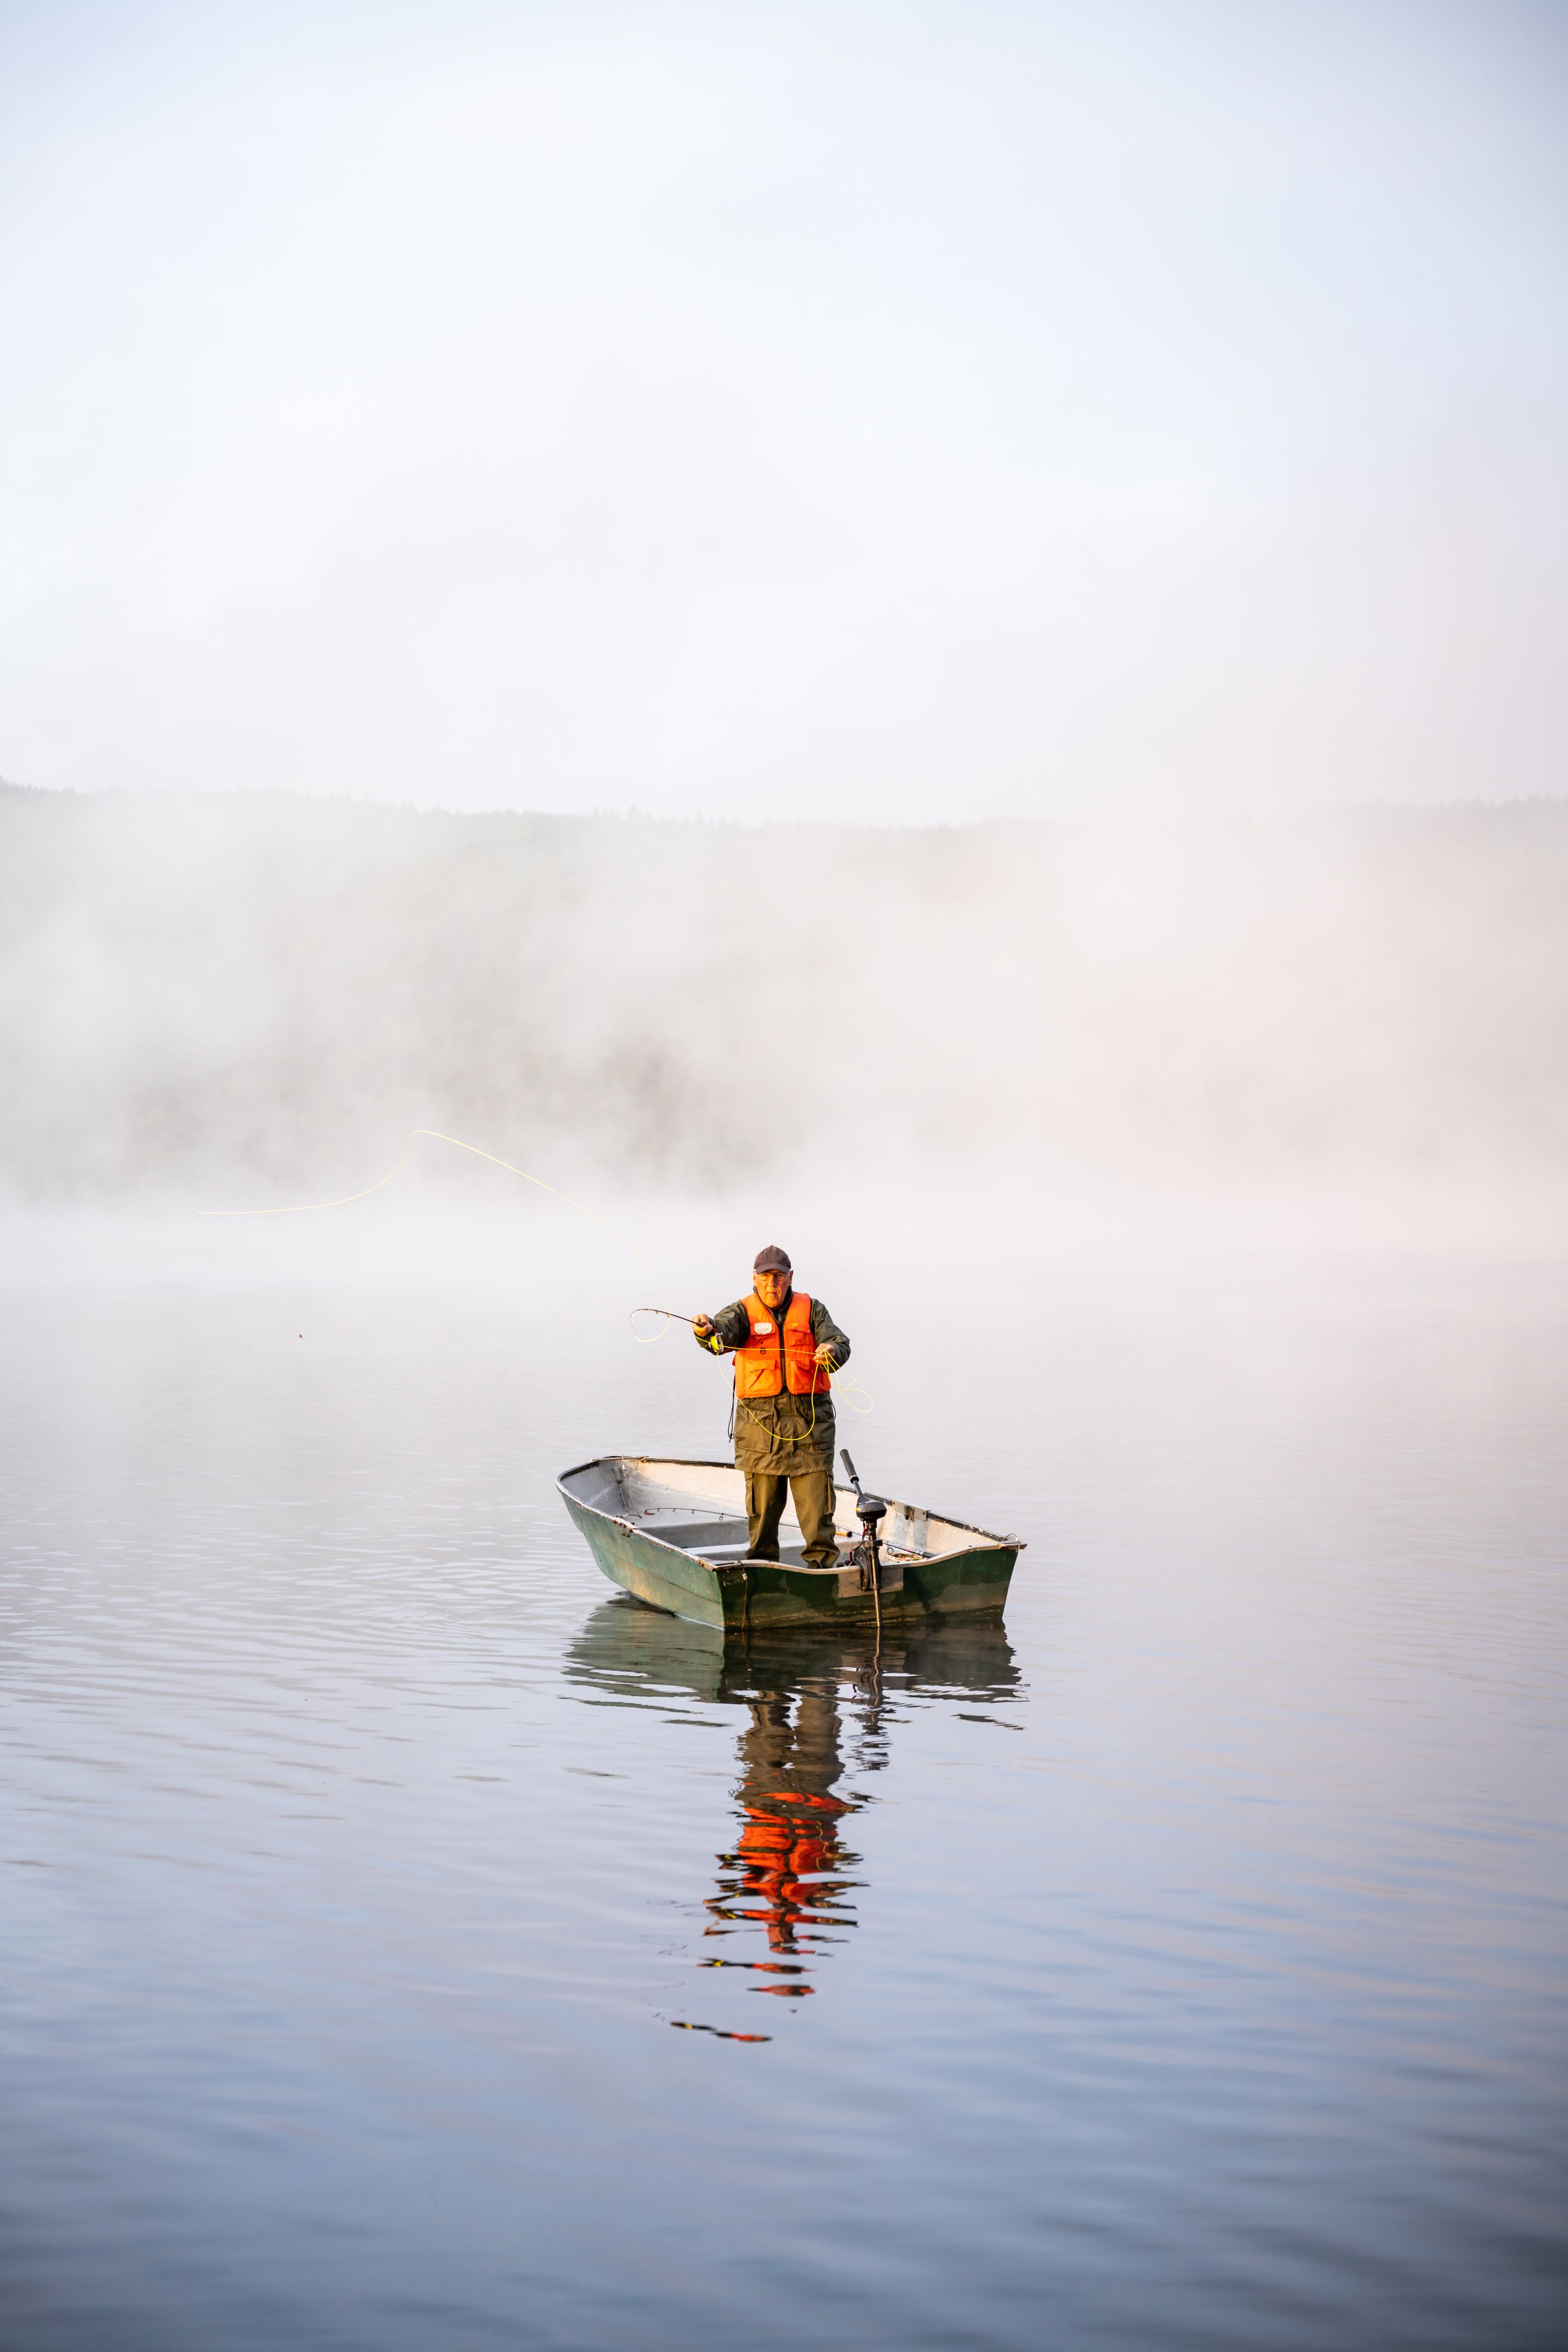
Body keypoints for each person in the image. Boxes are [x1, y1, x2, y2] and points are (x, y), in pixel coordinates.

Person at [694, 1247, 851, 1570]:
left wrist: (830, 1350)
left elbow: (840, 1343)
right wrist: (705, 1331)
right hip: (760, 1433)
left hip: (811, 1430)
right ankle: (762, 1575)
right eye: (766, 1276)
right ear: (755, 1278)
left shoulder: (813, 1310)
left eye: (779, 1276)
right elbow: (720, 1337)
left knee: (819, 1517)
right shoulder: (741, 1312)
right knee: (762, 1519)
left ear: (790, 1277)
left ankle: (822, 1573)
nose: (772, 1283)